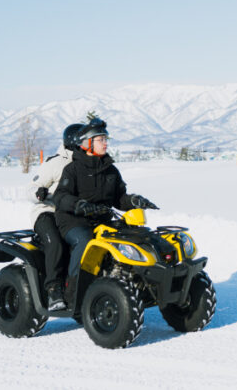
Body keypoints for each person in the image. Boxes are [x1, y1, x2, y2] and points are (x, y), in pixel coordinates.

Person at [52, 117, 158, 304]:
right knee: (85, 240)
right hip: (73, 220)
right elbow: (60, 197)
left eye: (106, 139)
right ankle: (73, 291)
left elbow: (119, 198)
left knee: (132, 237)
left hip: (102, 219)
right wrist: (78, 205)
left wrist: (133, 200)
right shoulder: (73, 170)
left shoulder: (111, 170)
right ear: (87, 143)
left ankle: (130, 281)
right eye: (101, 139)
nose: (105, 143)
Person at [26, 126, 82, 311]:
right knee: (56, 242)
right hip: (47, 212)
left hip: (72, 214)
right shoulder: (55, 163)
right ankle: (54, 290)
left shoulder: (86, 163)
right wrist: (40, 193)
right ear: (74, 141)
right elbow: (31, 189)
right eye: (83, 140)